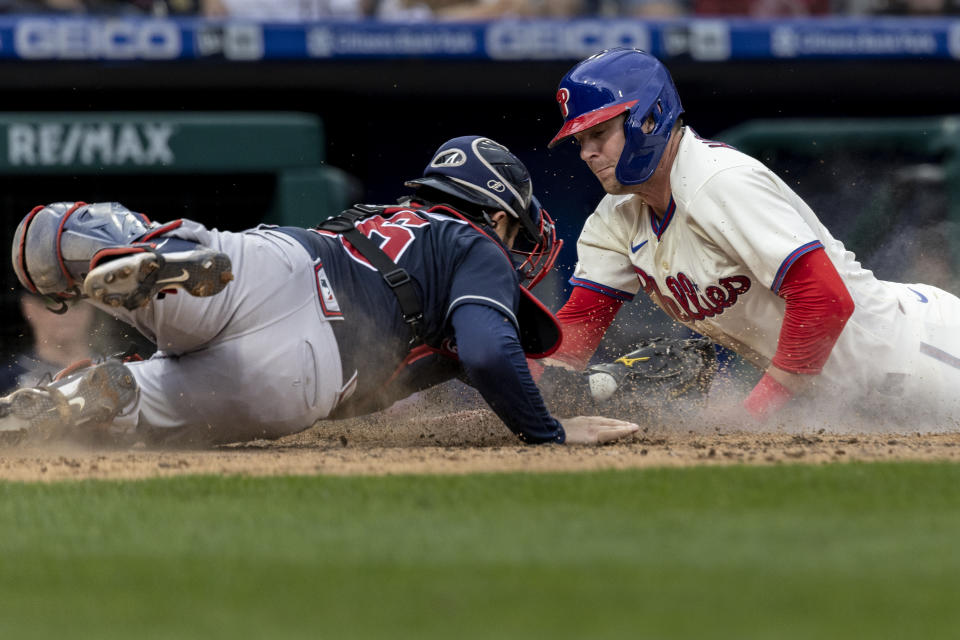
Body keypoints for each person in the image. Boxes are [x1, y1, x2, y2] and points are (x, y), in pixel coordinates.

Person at [1, 135, 638, 446]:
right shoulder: (473, 243)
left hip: (287, 267)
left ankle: (118, 254)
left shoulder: (378, 216)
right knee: (140, 407)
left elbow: (491, 366)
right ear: (497, 215)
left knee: (121, 238)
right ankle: (87, 396)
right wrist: (548, 432)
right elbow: (492, 356)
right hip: (305, 377)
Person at [543, 47, 960, 425]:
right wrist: (526, 399)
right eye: (580, 140)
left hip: (923, 354)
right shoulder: (614, 218)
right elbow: (576, 330)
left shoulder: (719, 182)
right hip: (847, 400)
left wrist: (750, 416)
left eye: (599, 134)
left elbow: (824, 300)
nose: (586, 153)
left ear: (648, 119)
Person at [0, 293, 96, 394]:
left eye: (76, 302)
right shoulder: (6, 382)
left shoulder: (111, 370)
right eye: (51, 302)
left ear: (92, 306)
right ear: (30, 308)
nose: (65, 311)